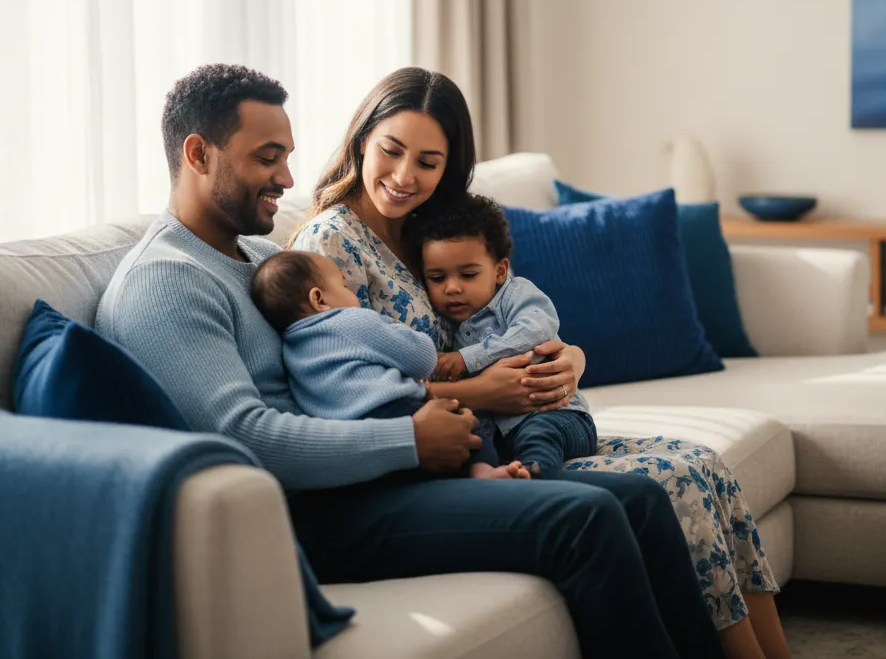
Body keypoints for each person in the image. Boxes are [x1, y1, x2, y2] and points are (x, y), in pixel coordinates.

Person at [95, 63, 739, 659]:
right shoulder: (165, 281)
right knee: (585, 519)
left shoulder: (261, 259)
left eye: (287, 157)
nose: (288, 179)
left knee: (639, 498)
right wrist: (409, 438)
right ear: (198, 154)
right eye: (268, 158)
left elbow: (343, 375)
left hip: (368, 480)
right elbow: (243, 439)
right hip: (313, 514)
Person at [289, 66, 791, 659]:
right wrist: (486, 393)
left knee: (704, 465)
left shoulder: (428, 228)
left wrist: (573, 359)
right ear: (360, 141)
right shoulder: (329, 246)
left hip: (520, 419)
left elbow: (512, 313)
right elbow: (349, 392)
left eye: (428, 162)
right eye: (391, 151)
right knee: (671, 482)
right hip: (472, 448)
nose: (404, 176)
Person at [250, 249, 529, 479]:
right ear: (319, 299)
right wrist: (394, 328)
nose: (352, 294)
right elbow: (423, 359)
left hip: (348, 437)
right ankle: (484, 473)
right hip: (393, 412)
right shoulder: (351, 320)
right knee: (466, 423)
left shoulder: (290, 350)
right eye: (344, 286)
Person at [404, 192, 597, 478]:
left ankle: (535, 475)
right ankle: (500, 475)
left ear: (499, 271)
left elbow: (537, 329)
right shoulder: (443, 323)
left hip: (557, 415)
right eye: (437, 278)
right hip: (498, 431)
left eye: (468, 275)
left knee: (537, 434)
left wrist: (468, 357)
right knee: (473, 439)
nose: (452, 288)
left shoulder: (515, 294)